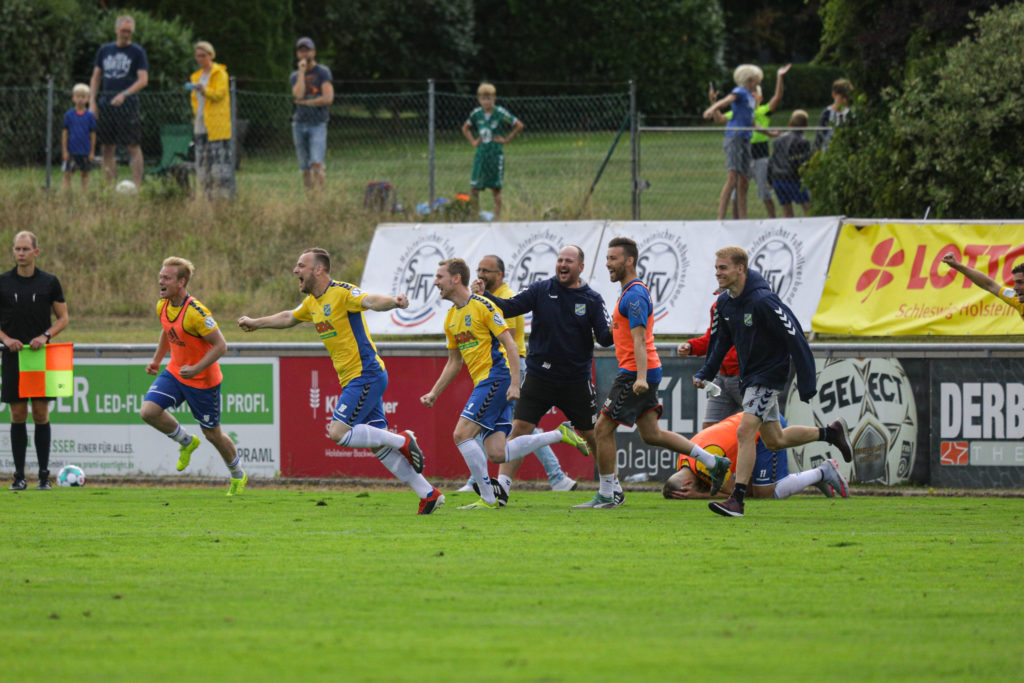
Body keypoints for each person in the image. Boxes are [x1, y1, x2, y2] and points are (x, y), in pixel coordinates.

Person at [238, 248, 443, 514]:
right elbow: (289, 317)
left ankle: (402, 439)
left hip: (365, 374)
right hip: (354, 378)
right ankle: (428, 494)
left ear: (318, 270)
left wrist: (394, 302)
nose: (295, 270)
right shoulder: (312, 302)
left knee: (338, 432)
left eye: (301, 266)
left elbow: (370, 300)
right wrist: (257, 322)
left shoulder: (342, 292)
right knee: (377, 445)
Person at [694, 246, 853, 518]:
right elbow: (720, 342)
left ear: (740, 269)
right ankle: (830, 433)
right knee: (774, 440)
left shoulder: (763, 301)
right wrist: (706, 372)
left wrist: (807, 382)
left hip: (768, 375)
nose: (717, 273)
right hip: (749, 377)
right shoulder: (725, 303)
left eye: (723, 268)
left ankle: (737, 500)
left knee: (745, 431)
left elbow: (795, 336)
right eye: (716, 268)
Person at [420, 258, 589, 510]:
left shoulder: (484, 306)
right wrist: (434, 392)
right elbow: (454, 362)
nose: (435, 282)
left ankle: (489, 497)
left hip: (496, 378)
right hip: (487, 381)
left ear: (456, 279)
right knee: (498, 453)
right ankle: (560, 434)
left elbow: (510, 343)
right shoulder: (451, 318)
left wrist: (514, 384)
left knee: (461, 434)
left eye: (439, 277)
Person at [577, 238, 731, 509]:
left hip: (635, 372)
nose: (608, 263)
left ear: (629, 261)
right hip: (643, 369)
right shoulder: (630, 292)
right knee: (651, 434)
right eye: (607, 258)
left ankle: (608, 494)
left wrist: (639, 377)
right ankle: (713, 461)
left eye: (613, 258)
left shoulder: (634, 294)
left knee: (601, 429)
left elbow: (639, 339)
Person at [473, 245, 616, 504]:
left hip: (576, 380)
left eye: (569, 261)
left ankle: (610, 489)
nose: (563, 265)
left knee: (593, 435)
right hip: (540, 376)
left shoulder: (592, 299)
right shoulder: (541, 289)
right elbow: (509, 307)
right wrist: (486, 296)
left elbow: (605, 338)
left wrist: (619, 324)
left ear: (580, 267)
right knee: (520, 429)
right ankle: (502, 489)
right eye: (560, 260)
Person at [458, 254, 579, 495]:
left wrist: (509, 377)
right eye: (479, 270)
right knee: (515, 424)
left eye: (486, 271)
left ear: (500, 274)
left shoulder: (507, 298)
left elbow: (509, 340)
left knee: (499, 422)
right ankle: (558, 477)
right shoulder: (484, 298)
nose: (481, 275)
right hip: (498, 368)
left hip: (508, 367)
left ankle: (478, 480)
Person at [139, 257, 246, 495]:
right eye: (160, 277)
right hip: (176, 372)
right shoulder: (162, 305)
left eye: (167, 278)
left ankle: (238, 474)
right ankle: (186, 442)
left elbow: (221, 345)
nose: (161, 282)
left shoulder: (197, 312)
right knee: (148, 412)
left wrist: (196, 368)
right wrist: (157, 360)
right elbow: (167, 331)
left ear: (181, 282)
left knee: (213, 434)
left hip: (203, 381)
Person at [0, 232, 69, 491]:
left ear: (36, 252)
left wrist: (45, 336)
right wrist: (6, 339)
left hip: (41, 357)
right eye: (17, 249)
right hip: (13, 356)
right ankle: (19, 476)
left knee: (40, 413)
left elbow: (63, 318)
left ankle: (43, 476)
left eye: (26, 249)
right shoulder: (3, 282)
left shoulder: (49, 282)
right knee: (18, 414)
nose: (21, 253)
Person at [662, 413, 848, 500]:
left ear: (687, 484)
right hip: (752, 422)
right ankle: (827, 440)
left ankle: (822, 472)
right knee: (753, 487)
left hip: (759, 429)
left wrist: (698, 495)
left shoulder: (706, 465)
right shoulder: (684, 459)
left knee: (765, 493)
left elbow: (735, 492)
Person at [710, 64, 791, 218]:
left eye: (755, 94)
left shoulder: (762, 111)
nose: (752, 96)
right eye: (751, 94)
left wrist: (779, 77)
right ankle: (733, 218)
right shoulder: (739, 110)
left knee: (762, 190)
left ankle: (770, 219)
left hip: (759, 155)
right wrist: (713, 105)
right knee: (736, 186)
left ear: (760, 98)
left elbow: (777, 98)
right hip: (740, 145)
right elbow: (719, 118)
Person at [89, 14, 148, 188]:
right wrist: (92, 102)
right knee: (107, 146)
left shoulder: (137, 52)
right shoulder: (104, 50)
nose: (126, 35)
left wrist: (124, 94)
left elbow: (143, 80)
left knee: (133, 145)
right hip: (106, 104)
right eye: (123, 31)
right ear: (116, 30)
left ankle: (137, 188)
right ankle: (109, 187)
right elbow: (96, 77)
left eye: (129, 32)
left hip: (128, 105)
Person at [703, 64, 761, 220]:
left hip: (746, 138)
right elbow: (726, 101)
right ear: (750, 79)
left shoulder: (749, 99)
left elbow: (752, 123)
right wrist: (712, 107)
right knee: (732, 178)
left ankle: (743, 218)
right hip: (734, 137)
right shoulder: (740, 91)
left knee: (744, 181)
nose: (759, 81)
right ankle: (720, 219)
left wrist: (772, 133)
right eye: (757, 78)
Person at [461, 83, 524, 221]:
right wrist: (473, 142)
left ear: (494, 99)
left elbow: (518, 125)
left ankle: (496, 219)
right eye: (483, 99)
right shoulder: (476, 114)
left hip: (495, 155)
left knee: (496, 189)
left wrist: (506, 140)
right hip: (481, 155)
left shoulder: (500, 113)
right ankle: (475, 217)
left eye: (489, 98)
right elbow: (465, 127)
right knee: (474, 188)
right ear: (479, 100)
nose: (486, 102)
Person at [677, 298, 741, 431]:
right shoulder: (718, 305)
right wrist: (691, 346)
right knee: (709, 428)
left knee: (763, 425)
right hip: (722, 377)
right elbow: (713, 337)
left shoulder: (753, 302)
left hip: (745, 377)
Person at [189, 41, 236, 200]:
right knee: (202, 160)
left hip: (217, 124)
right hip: (200, 122)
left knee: (219, 162)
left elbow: (219, 94)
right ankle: (206, 194)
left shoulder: (219, 73)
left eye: (203, 55)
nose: (200, 59)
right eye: (198, 56)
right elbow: (194, 99)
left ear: (211, 55)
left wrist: (204, 91)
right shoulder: (196, 76)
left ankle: (223, 196)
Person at [290, 37, 334, 193]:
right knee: (305, 168)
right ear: (298, 54)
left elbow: (328, 98)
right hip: (299, 124)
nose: (304, 54)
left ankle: (320, 198)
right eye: (301, 51)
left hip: (317, 124)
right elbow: (298, 95)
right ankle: (311, 200)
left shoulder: (323, 72)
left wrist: (307, 102)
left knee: (317, 163)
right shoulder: (295, 76)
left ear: (313, 52)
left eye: (307, 50)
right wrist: (302, 72)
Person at [941, 252, 1024, 321]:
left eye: (1020, 282)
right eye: (1015, 282)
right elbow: (989, 284)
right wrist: (956, 265)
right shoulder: (1016, 299)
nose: (1015, 287)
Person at [767, 110, 813, 217]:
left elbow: (772, 160)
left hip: (778, 179)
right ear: (806, 126)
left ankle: (788, 225)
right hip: (793, 179)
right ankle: (811, 225)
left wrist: (769, 180)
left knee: (787, 209)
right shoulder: (803, 141)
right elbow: (804, 162)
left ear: (790, 124)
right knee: (807, 207)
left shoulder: (778, 139)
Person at [61, 83, 97, 192]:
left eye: (83, 97)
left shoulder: (90, 116)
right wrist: (65, 151)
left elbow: (93, 134)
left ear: (87, 99)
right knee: (68, 174)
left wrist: (92, 152)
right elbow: (65, 133)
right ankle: (65, 194)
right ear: (73, 98)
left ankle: (84, 194)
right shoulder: (68, 115)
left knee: (85, 174)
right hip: (72, 151)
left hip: (85, 151)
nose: (80, 99)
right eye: (78, 96)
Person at [814, 78, 853, 153]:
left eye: (847, 97)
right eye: (842, 97)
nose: (845, 100)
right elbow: (819, 136)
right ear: (834, 94)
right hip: (828, 151)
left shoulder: (849, 114)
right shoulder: (827, 113)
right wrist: (816, 152)